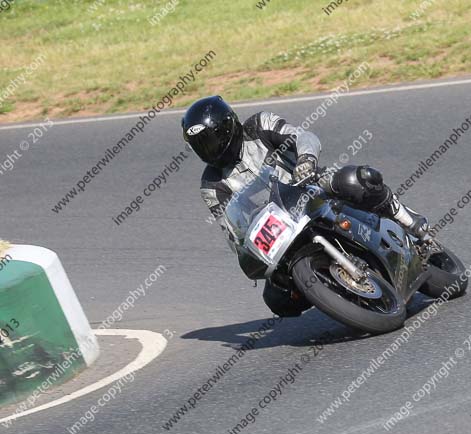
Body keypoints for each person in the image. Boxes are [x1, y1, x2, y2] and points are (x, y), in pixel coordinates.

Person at [181, 95, 430, 316]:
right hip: (280, 229)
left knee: (357, 179)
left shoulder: (259, 125)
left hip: (311, 188)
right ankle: (334, 289)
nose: (208, 150)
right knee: (277, 298)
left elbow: (303, 136)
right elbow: (232, 231)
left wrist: (306, 160)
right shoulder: (211, 185)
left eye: (211, 141)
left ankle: (407, 219)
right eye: (200, 145)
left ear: (228, 127)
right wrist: (246, 248)